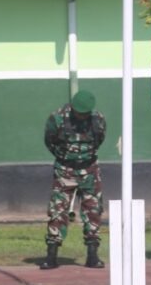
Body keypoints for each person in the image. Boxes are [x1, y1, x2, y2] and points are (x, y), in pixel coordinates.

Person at [40, 89, 106, 270]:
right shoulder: (57, 118)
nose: (81, 116)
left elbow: (99, 139)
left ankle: (92, 255)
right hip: (65, 170)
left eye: (84, 114)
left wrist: (83, 157)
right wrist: (66, 157)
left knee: (93, 210)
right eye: (78, 113)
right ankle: (51, 255)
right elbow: (49, 141)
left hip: (89, 170)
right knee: (57, 211)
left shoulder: (98, 120)